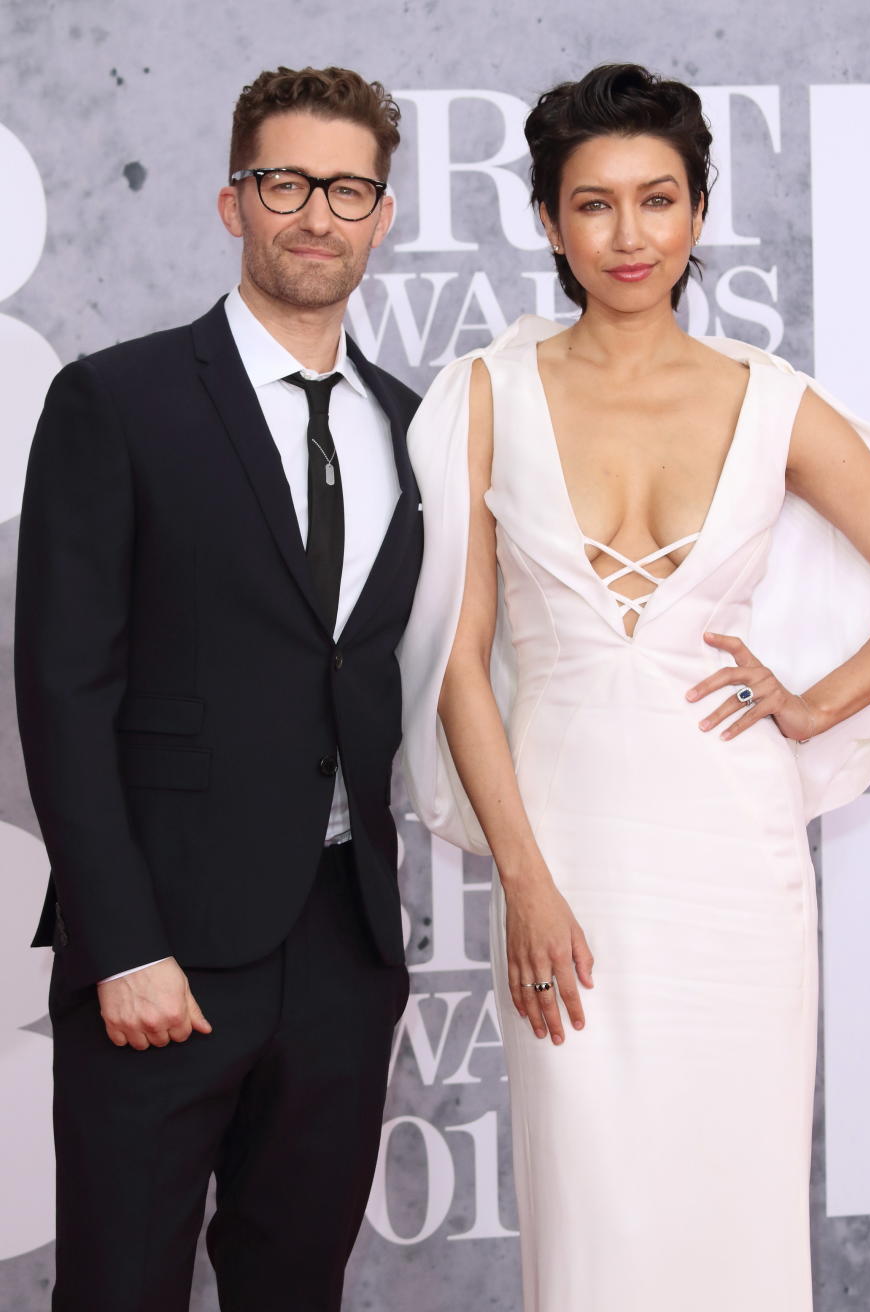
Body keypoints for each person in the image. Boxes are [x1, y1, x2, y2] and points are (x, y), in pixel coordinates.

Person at [399, 63, 870, 1312]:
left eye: (658, 199)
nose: (629, 234)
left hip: (736, 868)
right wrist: (526, 883)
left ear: (699, 211)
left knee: (737, 1210)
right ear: (548, 222)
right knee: (592, 1214)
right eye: (594, 205)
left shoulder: (770, 401)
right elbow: (454, 663)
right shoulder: (485, 395)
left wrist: (814, 704)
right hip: (569, 857)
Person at [15, 65, 422, 1312]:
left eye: (346, 188)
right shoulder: (116, 400)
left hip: (342, 950)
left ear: (383, 215)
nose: (317, 214)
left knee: (294, 1288)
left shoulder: (417, 426)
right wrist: (121, 943)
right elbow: (61, 687)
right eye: (284, 182)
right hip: (165, 952)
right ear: (231, 200)